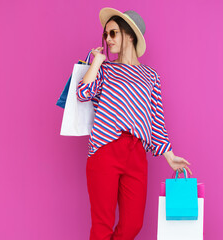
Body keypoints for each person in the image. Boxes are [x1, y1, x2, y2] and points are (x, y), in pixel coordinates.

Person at [76, 7, 193, 240]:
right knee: (102, 226)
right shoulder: (105, 69)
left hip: (136, 154)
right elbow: (82, 93)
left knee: (133, 225)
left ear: (130, 34)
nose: (108, 40)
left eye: (113, 33)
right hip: (105, 149)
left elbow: (155, 118)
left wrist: (169, 155)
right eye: (106, 35)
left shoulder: (151, 76)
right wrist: (97, 63)